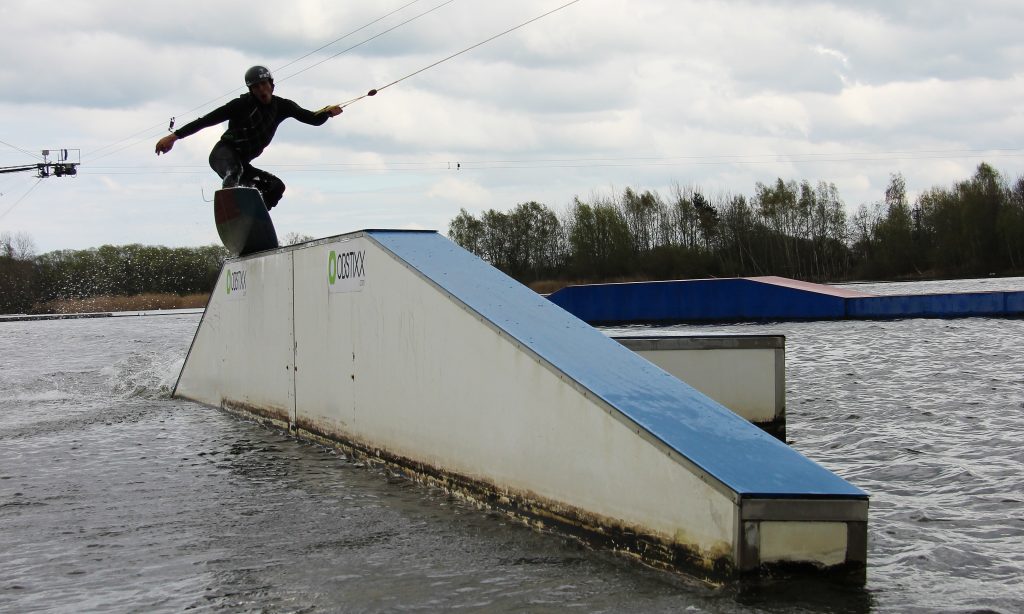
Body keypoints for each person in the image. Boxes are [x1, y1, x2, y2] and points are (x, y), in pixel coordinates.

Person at [155, 66, 342, 211]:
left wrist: (328, 113)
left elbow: (312, 119)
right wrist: (173, 137)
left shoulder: (283, 106)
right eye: (256, 87)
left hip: (244, 164)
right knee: (234, 172)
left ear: (271, 84)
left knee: (275, 187)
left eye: (264, 84)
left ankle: (253, 219)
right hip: (223, 155)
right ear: (251, 90)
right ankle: (230, 214)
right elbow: (206, 121)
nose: (261, 90)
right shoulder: (240, 105)